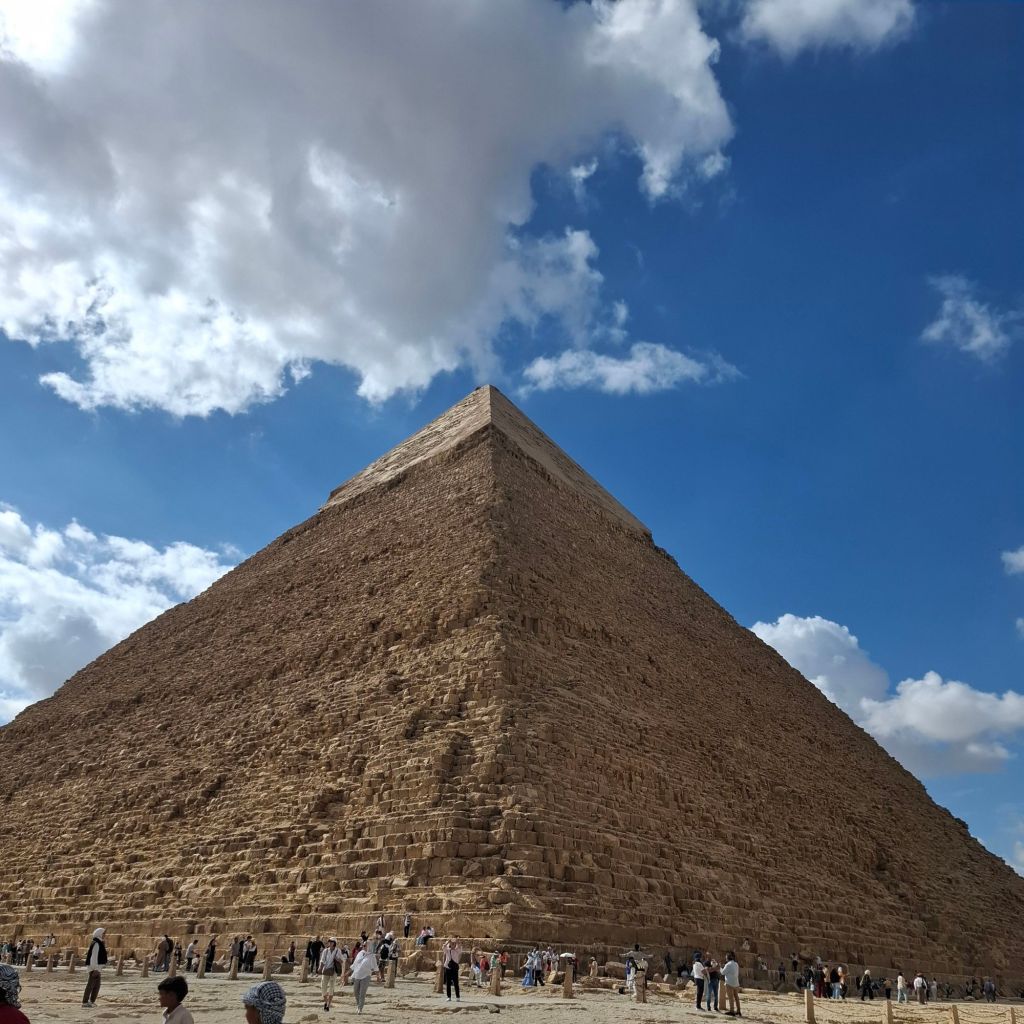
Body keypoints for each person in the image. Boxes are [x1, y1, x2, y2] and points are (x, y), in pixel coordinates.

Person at [83, 927, 108, 1007]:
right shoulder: (96, 943)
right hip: (94, 968)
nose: (104, 935)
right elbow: (94, 957)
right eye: (103, 933)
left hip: (97, 968)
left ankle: (91, 1001)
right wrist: (95, 969)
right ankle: (85, 1002)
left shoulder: (99, 942)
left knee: (96, 986)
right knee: (90, 985)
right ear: (100, 934)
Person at [350, 945, 377, 1014]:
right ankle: (358, 1005)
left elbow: (375, 966)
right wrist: (347, 973)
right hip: (357, 975)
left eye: (366, 945)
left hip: (366, 976)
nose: (364, 946)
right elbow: (354, 964)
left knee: (362, 993)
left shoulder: (371, 956)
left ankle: (360, 1008)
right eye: (363, 945)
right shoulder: (360, 953)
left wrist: (378, 976)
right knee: (356, 992)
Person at [319, 938, 343, 1012]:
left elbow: (341, 960)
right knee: (323, 987)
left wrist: (337, 959)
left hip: (333, 971)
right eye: (329, 941)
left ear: (334, 943)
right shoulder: (325, 951)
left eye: (331, 942)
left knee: (331, 988)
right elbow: (322, 960)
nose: (329, 943)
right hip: (326, 970)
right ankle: (326, 1002)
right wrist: (320, 968)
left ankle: (328, 1004)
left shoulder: (338, 951)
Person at [441, 936, 462, 1002]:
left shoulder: (457, 950)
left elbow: (459, 947)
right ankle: (448, 996)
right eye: (451, 944)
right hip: (448, 967)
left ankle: (457, 997)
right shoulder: (447, 950)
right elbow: (443, 947)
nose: (452, 945)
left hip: (454, 968)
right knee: (448, 983)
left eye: (453, 944)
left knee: (456, 983)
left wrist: (457, 942)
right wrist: (448, 942)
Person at [723, 951, 742, 1017]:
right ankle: (738, 1011)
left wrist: (719, 968)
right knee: (736, 997)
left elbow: (723, 972)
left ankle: (732, 1011)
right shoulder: (736, 964)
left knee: (731, 998)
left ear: (728, 957)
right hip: (736, 983)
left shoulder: (728, 964)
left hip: (729, 983)